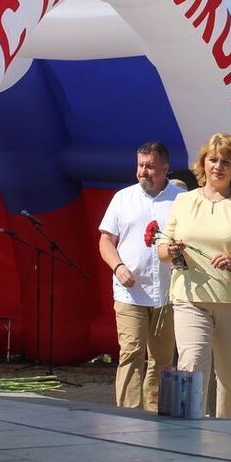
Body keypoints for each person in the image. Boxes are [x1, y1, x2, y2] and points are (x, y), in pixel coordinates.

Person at [159, 133, 231, 419]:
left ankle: (228, 441)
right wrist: (171, 250)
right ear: (203, 163)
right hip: (189, 297)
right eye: (213, 159)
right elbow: (161, 248)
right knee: (192, 364)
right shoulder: (183, 201)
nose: (218, 166)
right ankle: (187, 434)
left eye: (226, 162)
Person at [98, 142, 185, 411]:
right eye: (140, 165)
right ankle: (128, 415)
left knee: (161, 359)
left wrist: (179, 256)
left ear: (165, 169)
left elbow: (191, 240)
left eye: (150, 167)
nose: (143, 172)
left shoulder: (181, 199)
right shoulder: (122, 198)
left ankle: (156, 414)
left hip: (167, 293)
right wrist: (118, 267)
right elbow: (106, 241)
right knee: (132, 352)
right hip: (130, 292)